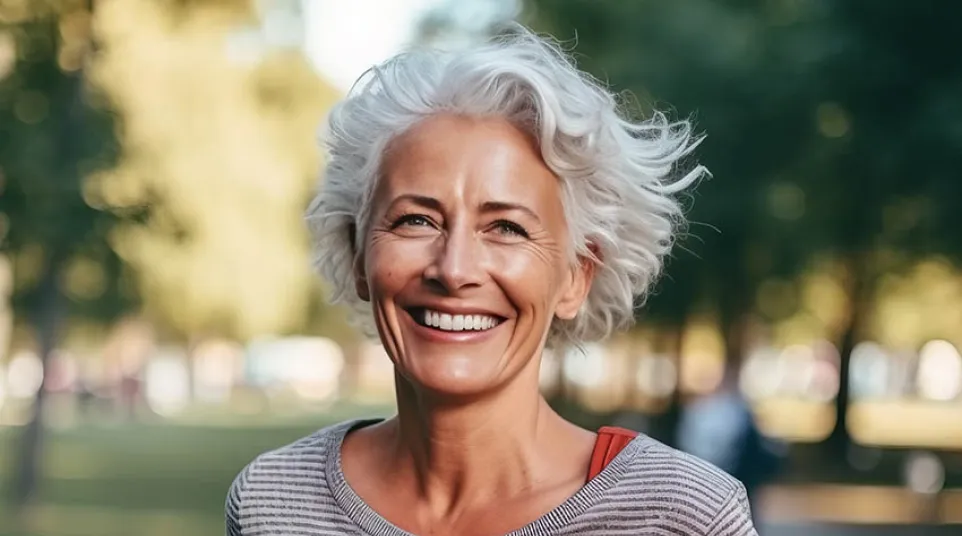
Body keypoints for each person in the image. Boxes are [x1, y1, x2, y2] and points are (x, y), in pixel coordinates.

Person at [225, 25, 757, 536]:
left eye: (506, 227)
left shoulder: (682, 516)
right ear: (357, 251)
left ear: (576, 276)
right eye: (416, 220)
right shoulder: (272, 502)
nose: (454, 270)